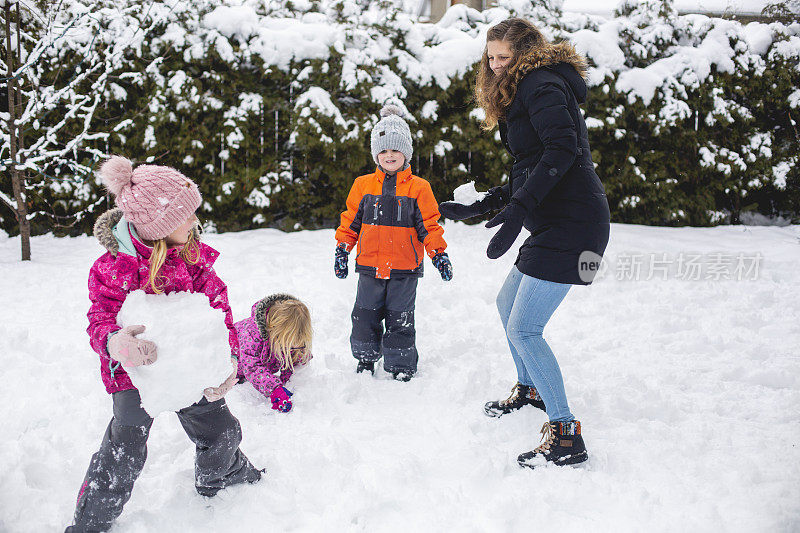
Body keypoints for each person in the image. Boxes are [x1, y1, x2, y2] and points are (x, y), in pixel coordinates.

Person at [440, 18, 610, 468]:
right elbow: (532, 167)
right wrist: (485, 204)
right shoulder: (528, 88)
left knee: (524, 329)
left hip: (577, 229)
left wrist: (516, 211)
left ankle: (566, 435)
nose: (495, 67)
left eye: (504, 58)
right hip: (559, 225)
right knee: (506, 305)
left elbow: (562, 151)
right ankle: (531, 386)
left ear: (526, 53)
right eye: (490, 58)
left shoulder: (541, 84)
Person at [66, 156, 262, 532]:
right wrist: (115, 344)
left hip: (190, 368)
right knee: (122, 455)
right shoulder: (114, 267)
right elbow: (100, 319)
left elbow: (219, 309)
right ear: (159, 225)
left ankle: (222, 477)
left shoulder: (194, 258)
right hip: (135, 375)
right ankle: (91, 522)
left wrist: (229, 360)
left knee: (223, 432)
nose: (194, 223)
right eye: (185, 217)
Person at [334, 104, 453, 381]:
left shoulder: (419, 187)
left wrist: (438, 254)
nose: (389, 155)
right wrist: (342, 249)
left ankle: (400, 365)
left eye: (395, 150)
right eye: (384, 150)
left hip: (404, 269)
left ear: (406, 153)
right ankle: (365, 359)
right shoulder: (363, 185)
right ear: (376, 153)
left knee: (400, 319)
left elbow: (429, 225)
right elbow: (350, 221)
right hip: (369, 266)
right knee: (365, 316)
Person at [234, 294, 313, 412]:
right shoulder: (250, 334)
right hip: (229, 366)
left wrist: (290, 383)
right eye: (288, 345)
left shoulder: (290, 337)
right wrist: (274, 388)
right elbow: (253, 368)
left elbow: (296, 359)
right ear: (275, 333)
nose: (292, 348)